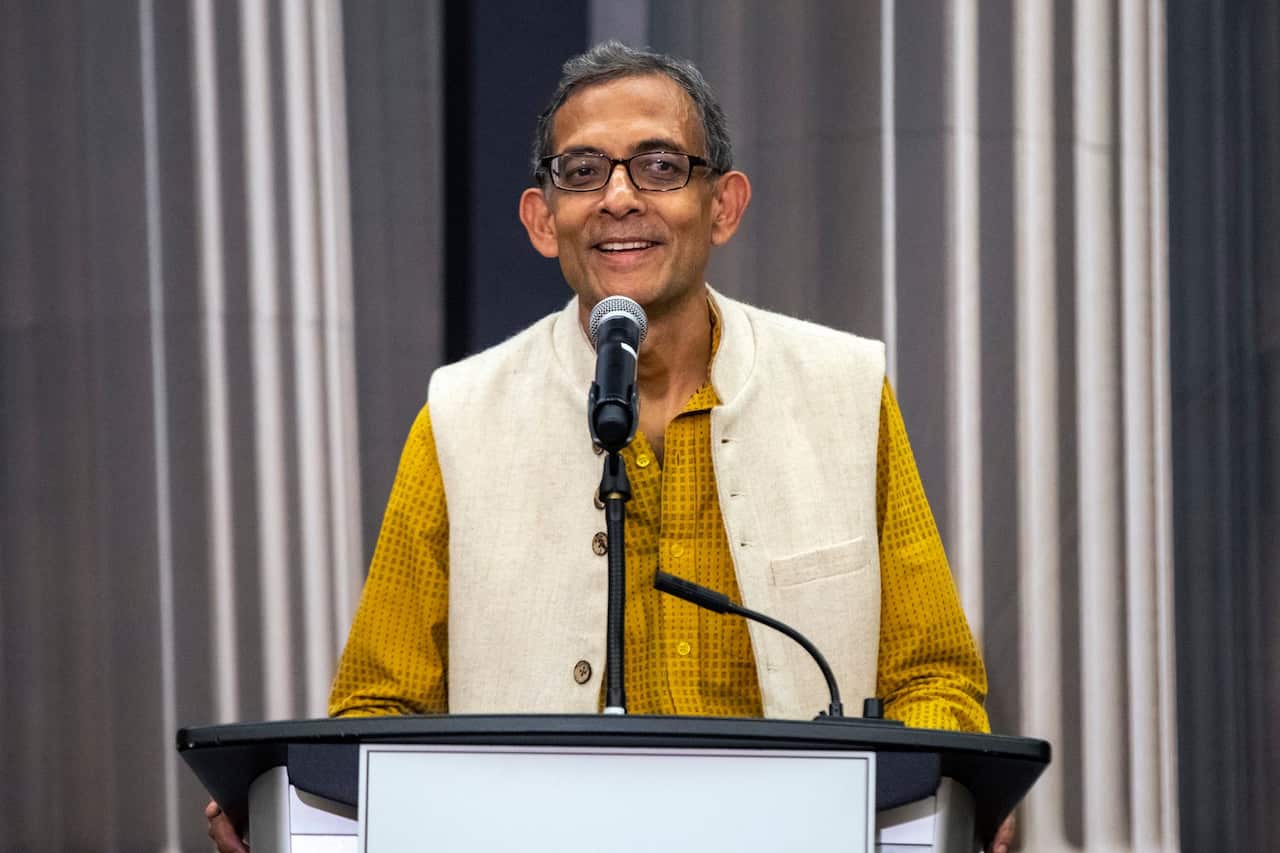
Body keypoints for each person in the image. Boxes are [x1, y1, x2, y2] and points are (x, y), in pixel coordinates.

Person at [209, 40, 1014, 853]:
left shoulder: (845, 390)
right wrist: (293, 810)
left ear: (724, 206)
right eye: (582, 171)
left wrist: (950, 791)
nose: (619, 198)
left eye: (660, 166)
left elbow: (934, 679)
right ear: (540, 219)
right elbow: (378, 706)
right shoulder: (459, 416)